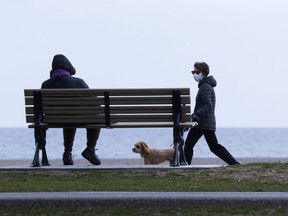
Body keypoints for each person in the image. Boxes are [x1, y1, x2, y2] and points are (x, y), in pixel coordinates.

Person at [41, 54, 101, 166]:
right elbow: (94, 102)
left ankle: (67, 153)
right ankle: (90, 149)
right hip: (77, 118)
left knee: (69, 118)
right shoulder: (79, 82)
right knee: (96, 117)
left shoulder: (46, 84)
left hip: (53, 120)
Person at [184, 61, 240, 165]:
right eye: (193, 72)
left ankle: (185, 166)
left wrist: (197, 115)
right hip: (206, 122)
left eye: (197, 72)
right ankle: (234, 164)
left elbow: (208, 105)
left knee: (188, 145)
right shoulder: (205, 85)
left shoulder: (205, 86)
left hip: (201, 122)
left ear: (204, 73)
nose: (194, 74)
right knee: (214, 147)